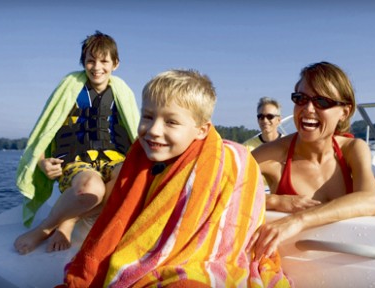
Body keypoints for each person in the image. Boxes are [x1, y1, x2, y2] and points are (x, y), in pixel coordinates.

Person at [59, 69, 289, 287]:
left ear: (201, 130)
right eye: (148, 116)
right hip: (156, 265)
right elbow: (115, 212)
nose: (153, 130)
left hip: (203, 265)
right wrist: (64, 223)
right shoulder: (138, 163)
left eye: (171, 122)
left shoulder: (226, 162)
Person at [14, 31, 140, 255]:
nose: (97, 67)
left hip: (114, 160)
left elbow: (135, 131)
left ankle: (69, 220)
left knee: (133, 181)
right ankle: (45, 228)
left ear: (115, 64)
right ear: (83, 62)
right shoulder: (69, 88)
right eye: (90, 61)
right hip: (76, 161)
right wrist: (42, 162)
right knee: (91, 188)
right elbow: (44, 129)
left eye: (104, 61)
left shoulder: (123, 92)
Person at [247, 61, 375, 259]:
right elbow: (218, 193)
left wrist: (298, 220)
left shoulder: (353, 149)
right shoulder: (272, 156)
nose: (308, 109)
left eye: (322, 102)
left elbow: (370, 201)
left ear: (344, 111)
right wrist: (275, 201)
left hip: (342, 261)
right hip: (291, 265)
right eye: (301, 98)